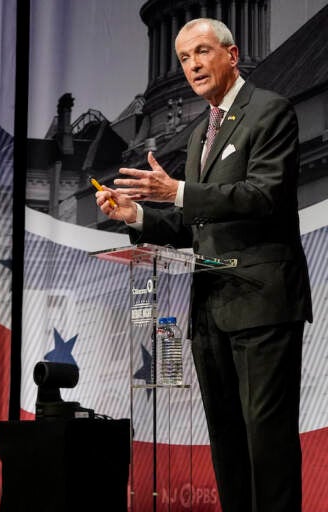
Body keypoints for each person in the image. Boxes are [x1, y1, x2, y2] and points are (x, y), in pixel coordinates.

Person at [95, 18, 312, 512]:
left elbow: (264, 196)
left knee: (267, 447)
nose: (191, 65)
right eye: (184, 58)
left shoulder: (271, 112)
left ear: (232, 56)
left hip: (262, 307)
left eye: (201, 52)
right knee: (228, 449)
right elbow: (196, 226)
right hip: (211, 309)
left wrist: (180, 192)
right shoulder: (200, 136)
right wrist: (139, 215)